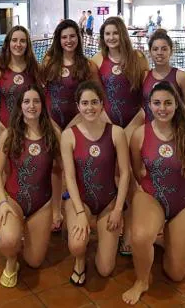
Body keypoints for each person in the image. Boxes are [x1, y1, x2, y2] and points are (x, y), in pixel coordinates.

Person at [122, 81, 185, 305]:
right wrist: (152, 193)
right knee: (139, 237)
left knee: (176, 273)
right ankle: (141, 281)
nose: (162, 108)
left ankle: (170, 233)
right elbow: (137, 169)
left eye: (168, 103)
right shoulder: (140, 135)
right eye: (157, 103)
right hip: (152, 196)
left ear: (176, 105)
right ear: (149, 105)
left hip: (184, 200)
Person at [0, 85, 62, 288]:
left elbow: (63, 170)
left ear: (42, 105)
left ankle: (26, 233)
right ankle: (11, 259)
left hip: (42, 204)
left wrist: (57, 208)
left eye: (36, 101)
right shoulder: (10, 134)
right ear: (20, 106)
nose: (32, 106)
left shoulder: (53, 133)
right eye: (27, 101)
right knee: (8, 241)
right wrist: (3, 202)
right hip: (13, 200)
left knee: (34, 261)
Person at [60, 81, 130, 285]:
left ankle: (108, 240)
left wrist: (118, 209)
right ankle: (80, 261)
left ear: (102, 104)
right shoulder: (69, 135)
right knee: (77, 245)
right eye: (84, 103)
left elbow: (125, 173)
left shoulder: (116, 132)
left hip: (109, 202)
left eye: (94, 102)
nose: (89, 107)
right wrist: (80, 213)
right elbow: (69, 177)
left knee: (105, 270)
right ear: (78, 106)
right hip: (81, 201)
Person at [42, 19, 99, 232]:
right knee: (57, 167)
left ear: (79, 38)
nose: (68, 40)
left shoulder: (87, 65)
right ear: (58, 39)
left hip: (79, 124)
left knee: (80, 167)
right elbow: (42, 93)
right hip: (53, 123)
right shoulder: (49, 63)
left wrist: (77, 123)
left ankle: (82, 208)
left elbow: (96, 96)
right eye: (64, 37)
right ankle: (56, 211)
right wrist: (51, 123)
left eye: (72, 36)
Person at [92, 16, 148, 140]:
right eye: (107, 34)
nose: (111, 37)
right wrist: (102, 114)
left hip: (135, 119)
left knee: (131, 157)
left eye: (115, 33)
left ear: (122, 34)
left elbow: (147, 89)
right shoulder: (98, 59)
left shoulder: (138, 57)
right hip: (107, 119)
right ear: (103, 36)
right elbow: (95, 92)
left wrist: (142, 115)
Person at [142, 29, 185, 123]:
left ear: (171, 51)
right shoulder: (144, 77)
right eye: (155, 49)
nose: (159, 52)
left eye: (164, 49)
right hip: (149, 133)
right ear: (150, 53)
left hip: (176, 133)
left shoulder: (181, 77)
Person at [0, 26, 39, 134]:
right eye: (14, 40)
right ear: (8, 43)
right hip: (4, 128)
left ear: (27, 44)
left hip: (30, 129)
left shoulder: (35, 68)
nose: (18, 44)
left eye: (22, 41)